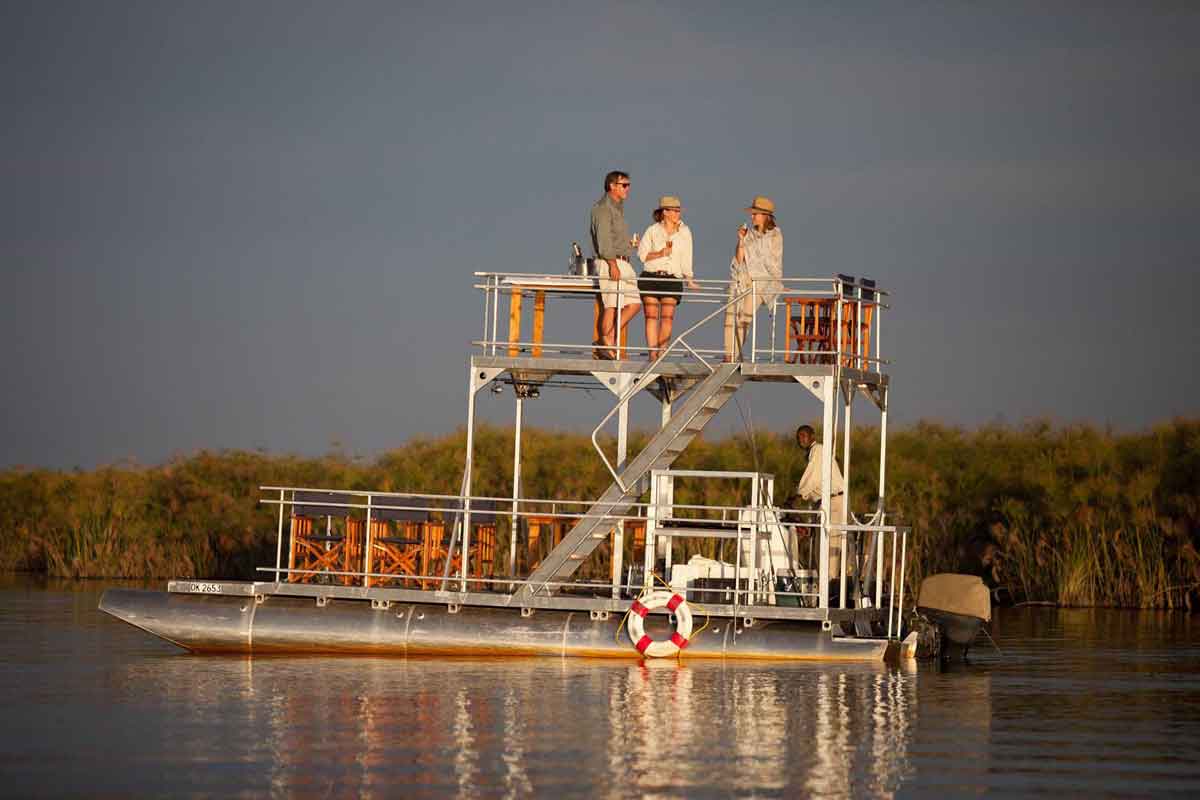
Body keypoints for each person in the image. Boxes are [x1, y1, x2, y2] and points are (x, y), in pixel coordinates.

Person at [636, 195, 697, 360]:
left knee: (667, 317)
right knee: (650, 316)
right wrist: (661, 253)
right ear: (665, 212)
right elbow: (642, 255)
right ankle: (652, 354)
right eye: (674, 211)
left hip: (672, 278)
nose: (678, 214)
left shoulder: (685, 231)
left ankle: (662, 354)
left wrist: (689, 278)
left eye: (678, 210)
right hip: (651, 275)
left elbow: (687, 257)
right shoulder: (652, 230)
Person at [589, 171, 641, 359]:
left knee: (634, 303)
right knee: (610, 305)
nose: (628, 188)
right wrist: (612, 263)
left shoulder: (618, 207)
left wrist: (630, 244)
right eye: (624, 185)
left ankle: (607, 339)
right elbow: (603, 240)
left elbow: (614, 236)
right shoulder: (603, 208)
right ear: (612, 186)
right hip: (611, 261)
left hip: (623, 260)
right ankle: (606, 341)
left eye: (628, 185)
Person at [724, 195, 783, 361]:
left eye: (755, 214)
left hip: (760, 282)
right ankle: (729, 355)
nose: (752, 217)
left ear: (765, 215)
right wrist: (741, 240)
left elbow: (772, 261)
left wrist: (777, 281)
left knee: (745, 317)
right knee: (730, 316)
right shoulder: (748, 234)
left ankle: (735, 354)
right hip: (742, 279)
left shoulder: (775, 235)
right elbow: (739, 259)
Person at [787, 424, 848, 584]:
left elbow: (812, 476)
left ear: (812, 436)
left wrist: (798, 494)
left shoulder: (818, 449)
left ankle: (830, 585)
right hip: (824, 503)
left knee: (830, 547)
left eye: (803, 435)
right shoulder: (814, 453)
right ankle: (824, 583)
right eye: (798, 437)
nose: (801, 439)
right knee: (820, 547)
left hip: (834, 502)